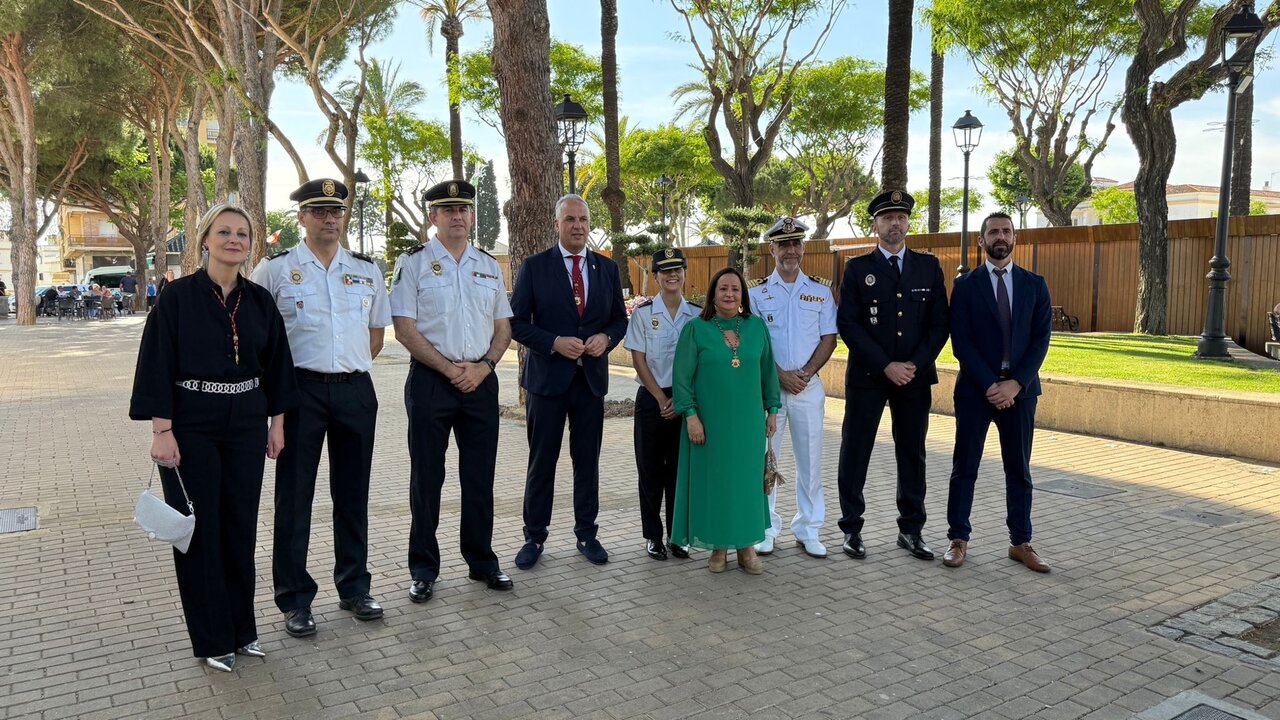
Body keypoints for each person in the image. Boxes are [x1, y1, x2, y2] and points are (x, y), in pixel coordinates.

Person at [129, 202, 297, 672]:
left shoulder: (261, 301)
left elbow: (278, 367)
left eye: (242, 233)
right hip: (191, 425)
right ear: (205, 239)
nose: (234, 240)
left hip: (246, 422)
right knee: (200, 533)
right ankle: (212, 639)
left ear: (251, 243)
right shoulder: (177, 298)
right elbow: (156, 364)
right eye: (224, 232)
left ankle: (243, 631)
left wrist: (277, 424)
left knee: (239, 528)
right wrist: (162, 431)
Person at [249, 178, 391, 638]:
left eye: (337, 212)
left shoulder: (366, 269)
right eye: (320, 212)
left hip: (354, 390)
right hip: (298, 395)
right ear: (302, 218)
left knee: (353, 496)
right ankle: (294, 599)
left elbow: (375, 335)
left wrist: (344, 369)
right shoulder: (274, 271)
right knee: (295, 498)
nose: (331, 219)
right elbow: (258, 341)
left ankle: (354, 587)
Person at [390, 179, 515, 603]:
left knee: (480, 477)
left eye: (463, 209)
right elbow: (404, 328)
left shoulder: (487, 264)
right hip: (431, 382)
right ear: (433, 217)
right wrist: (449, 369)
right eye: (448, 210)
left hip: (481, 382)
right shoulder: (414, 263)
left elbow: (503, 327)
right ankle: (424, 568)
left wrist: (485, 367)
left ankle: (482, 560)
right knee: (427, 478)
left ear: (471, 215)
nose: (458, 216)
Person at [509, 194, 628, 569]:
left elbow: (618, 320)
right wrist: (554, 343)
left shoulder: (606, 269)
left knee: (586, 461)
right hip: (547, 382)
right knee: (542, 461)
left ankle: (586, 534)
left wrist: (606, 339)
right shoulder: (535, 267)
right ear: (557, 224)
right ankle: (534, 537)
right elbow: (516, 323)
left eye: (584, 220)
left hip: (589, 383)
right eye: (571, 219)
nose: (578, 226)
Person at [836, 190, 949, 561]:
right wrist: (886, 365)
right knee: (856, 451)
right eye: (888, 217)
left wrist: (912, 365)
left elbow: (939, 324)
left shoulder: (928, 267)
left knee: (912, 453)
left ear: (907, 223)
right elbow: (849, 325)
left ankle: (912, 529)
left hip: (914, 379)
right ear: (875, 225)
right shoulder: (857, 268)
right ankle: (852, 528)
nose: (895, 223)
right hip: (869, 376)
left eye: (901, 217)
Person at [943, 212, 1053, 573]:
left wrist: (1015, 383)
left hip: (1020, 392)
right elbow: (961, 342)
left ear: (1015, 238)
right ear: (981, 240)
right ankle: (958, 539)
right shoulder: (965, 287)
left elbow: (1040, 342)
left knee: (1018, 470)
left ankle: (1021, 542)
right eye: (993, 232)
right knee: (965, 467)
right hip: (977, 391)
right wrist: (991, 384)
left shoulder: (1035, 285)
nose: (1000, 236)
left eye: (1006, 231)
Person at [671, 266, 780, 574]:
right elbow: (682, 378)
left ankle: (746, 548)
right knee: (717, 484)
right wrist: (691, 417)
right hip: (710, 424)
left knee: (745, 484)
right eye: (723, 289)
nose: (729, 294)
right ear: (713, 295)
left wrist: (772, 410)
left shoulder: (757, 327)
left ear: (742, 294)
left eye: (735, 289)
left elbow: (768, 372)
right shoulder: (697, 329)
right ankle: (719, 547)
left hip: (748, 423)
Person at [748, 217, 837, 559]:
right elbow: (754, 342)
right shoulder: (756, 293)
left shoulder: (820, 291)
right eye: (783, 244)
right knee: (766, 460)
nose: (790, 250)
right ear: (771, 249)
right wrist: (779, 375)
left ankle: (809, 528)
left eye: (796, 243)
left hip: (808, 389)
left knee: (810, 462)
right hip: (769, 392)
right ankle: (765, 528)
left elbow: (829, 338)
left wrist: (806, 372)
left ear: (803, 248)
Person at [623, 248, 701, 561]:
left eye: (677, 270)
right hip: (651, 399)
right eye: (665, 271)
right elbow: (638, 359)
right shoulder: (643, 314)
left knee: (679, 473)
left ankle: (678, 536)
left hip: (685, 401)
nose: (672, 275)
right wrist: (660, 397)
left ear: (684, 273)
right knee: (650, 471)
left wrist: (681, 400)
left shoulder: (696, 315)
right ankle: (653, 536)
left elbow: (700, 361)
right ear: (655, 276)